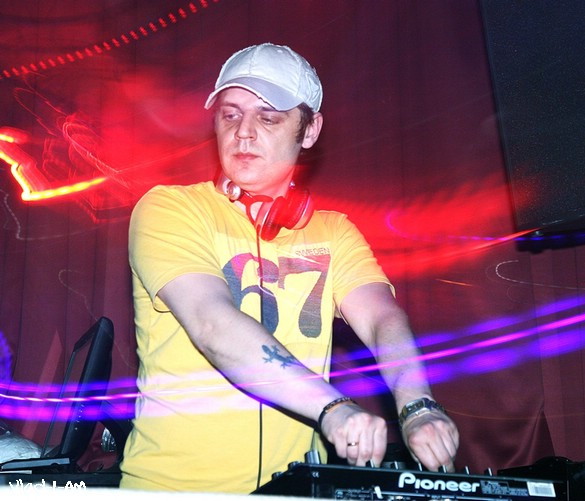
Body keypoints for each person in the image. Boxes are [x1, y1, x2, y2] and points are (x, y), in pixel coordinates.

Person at [119, 42, 459, 493]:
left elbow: (382, 318)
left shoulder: (334, 232)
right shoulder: (169, 209)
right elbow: (212, 323)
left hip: (294, 490)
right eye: (230, 114)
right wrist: (333, 408)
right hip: (172, 491)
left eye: (268, 118)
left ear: (310, 129)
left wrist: (417, 405)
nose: (243, 133)